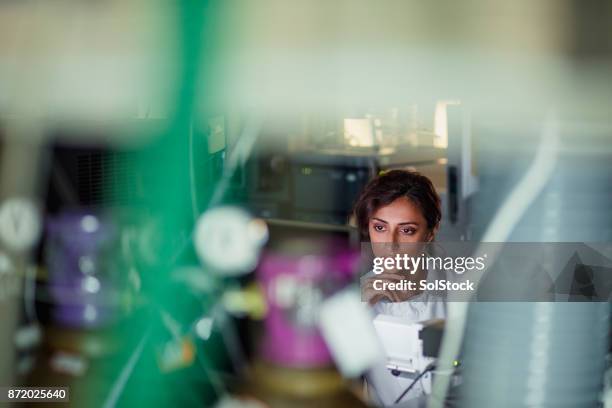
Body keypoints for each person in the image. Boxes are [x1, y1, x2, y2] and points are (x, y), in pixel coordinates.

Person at [351, 169, 446, 406]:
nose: (390, 245)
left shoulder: (463, 289)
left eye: (407, 231)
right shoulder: (354, 298)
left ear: (431, 232)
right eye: (380, 228)